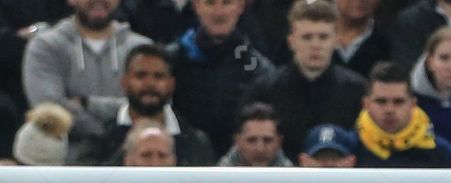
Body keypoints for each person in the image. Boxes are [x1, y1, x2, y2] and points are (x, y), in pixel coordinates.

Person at [243, 0, 365, 158]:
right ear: (291, 41)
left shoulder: (357, 90)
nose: (315, 45)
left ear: (336, 40)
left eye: (323, 37)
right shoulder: (264, 91)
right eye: (307, 37)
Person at [21, 0, 150, 147]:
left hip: (131, 157)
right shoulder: (46, 46)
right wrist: (107, 132)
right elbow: (50, 109)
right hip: (65, 160)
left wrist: (87, 103)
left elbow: (150, 106)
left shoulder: (142, 49)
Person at [73, 42, 214, 165]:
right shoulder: (98, 140)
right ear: (124, 82)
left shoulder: (196, 143)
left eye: (158, 76)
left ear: (172, 84)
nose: (150, 84)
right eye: (141, 76)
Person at [167, 0, 272, 155]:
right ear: (196, 6)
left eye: (226, 3)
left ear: (240, 6)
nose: (219, 12)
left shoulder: (258, 69)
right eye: (210, 3)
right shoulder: (172, 61)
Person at [353, 61, 451, 168]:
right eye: (381, 101)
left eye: (398, 102)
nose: (389, 109)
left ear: (413, 104)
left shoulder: (441, 154)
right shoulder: (350, 149)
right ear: (365, 104)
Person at [217, 103, 291, 167]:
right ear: (237, 141)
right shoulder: (217, 180)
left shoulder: (293, 179)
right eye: (251, 140)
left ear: (280, 142)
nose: (260, 149)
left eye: (267, 140)